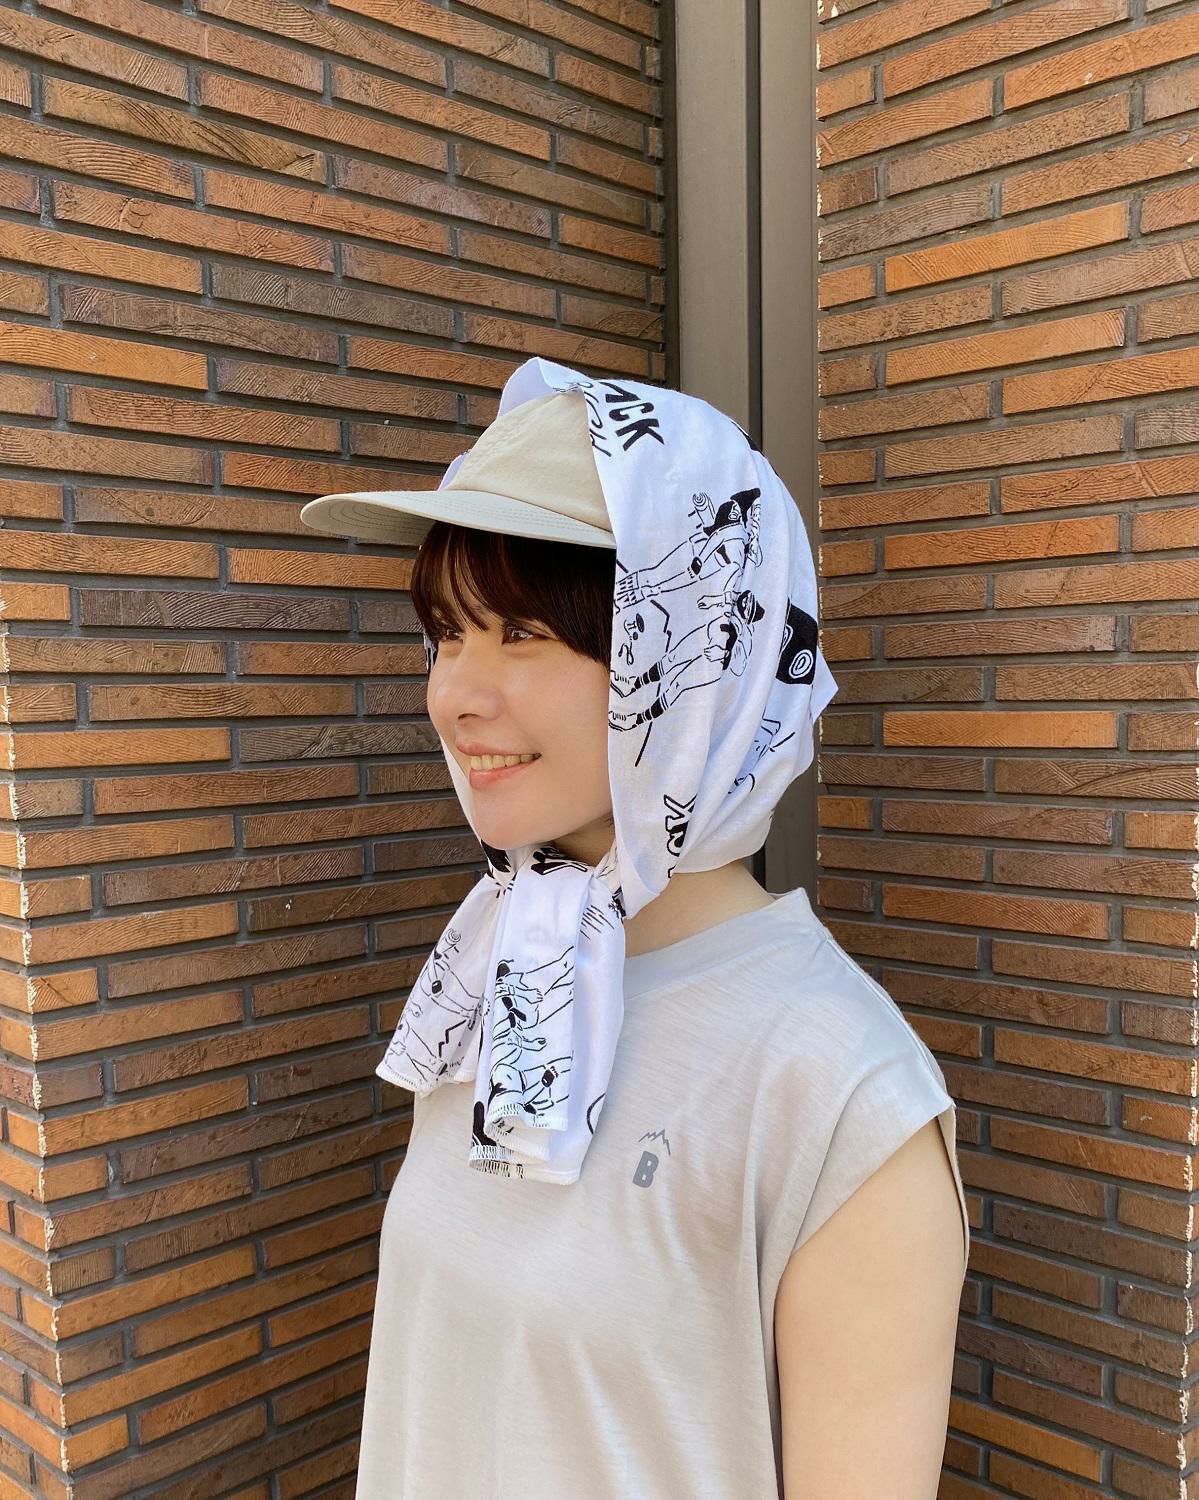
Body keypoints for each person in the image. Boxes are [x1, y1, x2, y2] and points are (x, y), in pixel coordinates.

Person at [300, 356, 970, 1499]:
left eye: (522, 633)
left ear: (698, 661)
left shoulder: (835, 1094)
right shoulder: (500, 967)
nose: (454, 694)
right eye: (446, 633)